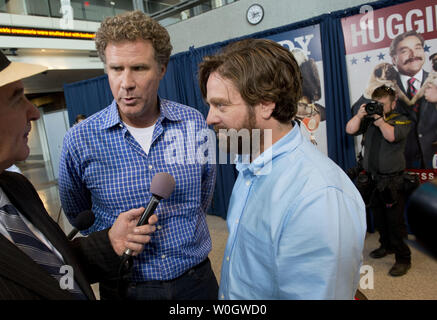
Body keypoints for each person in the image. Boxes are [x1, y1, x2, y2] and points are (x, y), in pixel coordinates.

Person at [58, 11, 217, 300]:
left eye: (139, 68)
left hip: (196, 282)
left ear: (162, 68)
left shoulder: (193, 123)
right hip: (125, 285)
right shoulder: (79, 140)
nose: (126, 82)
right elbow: (78, 213)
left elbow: (203, 196)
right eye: (116, 69)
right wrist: (111, 239)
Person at [198, 38, 366, 299]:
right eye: (210, 105)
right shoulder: (248, 167)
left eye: (221, 105)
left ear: (267, 104)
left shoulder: (318, 196)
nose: (209, 118)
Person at [0, 51, 157, 300]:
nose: (34, 112)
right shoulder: (79, 139)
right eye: (17, 98)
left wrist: (110, 241)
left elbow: (52, 266)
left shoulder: (16, 187)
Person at [346, 85, 412, 277]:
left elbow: (392, 136)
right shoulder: (369, 120)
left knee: (396, 222)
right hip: (373, 180)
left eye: (383, 104)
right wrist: (360, 116)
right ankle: (385, 246)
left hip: (393, 180)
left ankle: (403, 258)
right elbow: (349, 130)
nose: (380, 108)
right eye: (377, 104)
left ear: (393, 103)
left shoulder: (401, 120)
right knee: (379, 218)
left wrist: (380, 120)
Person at [352, 30, 437, 169]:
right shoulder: (382, 83)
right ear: (393, 59)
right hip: (394, 168)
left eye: (417, 48)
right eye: (405, 51)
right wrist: (369, 91)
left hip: (432, 165)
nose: (413, 54)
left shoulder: (435, 80)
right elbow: (356, 122)